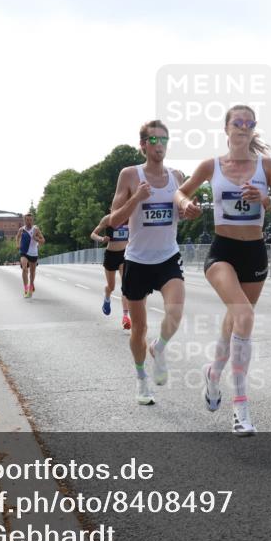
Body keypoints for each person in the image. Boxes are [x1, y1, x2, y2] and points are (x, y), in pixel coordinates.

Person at [174, 104, 271, 435]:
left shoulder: (266, 167)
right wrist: (187, 206)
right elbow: (180, 192)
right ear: (226, 129)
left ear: (253, 129)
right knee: (244, 317)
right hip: (222, 251)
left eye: (249, 123)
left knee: (234, 323)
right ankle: (240, 407)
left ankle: (213, 375)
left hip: (254, 253)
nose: (243, 126)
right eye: (237, 122)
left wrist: (266, 200)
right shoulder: (211, 166)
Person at [108, 119, 200, 405]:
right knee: (139, 328)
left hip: (167, 257)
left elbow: (180, 206)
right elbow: (114, 220)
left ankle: (159, 348)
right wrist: (137, 197)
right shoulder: (130, 175)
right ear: (143, 145)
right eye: (154, 140)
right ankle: (141, 379)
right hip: (136, 260)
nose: (159, 145)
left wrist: (188, 211)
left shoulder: (176, 175)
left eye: (164, 139)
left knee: (175, 311)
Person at [90, 214, 131, 329]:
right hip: (111, 255)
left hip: (125, 254)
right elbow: (93, 234)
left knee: (126, 285)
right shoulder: (108, 219)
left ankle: (125, 316)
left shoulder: (129, 216)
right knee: (111, 286)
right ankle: (107, 296)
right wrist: (102, 239)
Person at [17, 214, 45, 297]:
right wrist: (17, 244)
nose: (29, 222)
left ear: (32, 220)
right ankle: (26, 289)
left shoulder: (36, 229)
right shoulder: (21, 229)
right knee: (24, 269)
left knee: (32, 272)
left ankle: (31, 286)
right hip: (24, 252)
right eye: (27, 220)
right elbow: (17, 237)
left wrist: (36, 239)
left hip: (33, 253)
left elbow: (43, 240)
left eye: (30, 220)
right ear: (24, 220)